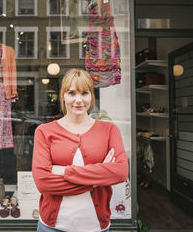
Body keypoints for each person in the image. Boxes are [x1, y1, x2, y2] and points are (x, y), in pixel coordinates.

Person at [32, 68, 128, 232]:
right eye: (71, 93)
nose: (78, 100)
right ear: (63, 95)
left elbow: (120, 172)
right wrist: (97, 180)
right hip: (52, 227)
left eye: (84, 93)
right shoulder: (44, 131)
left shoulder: (109, 130)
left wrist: (65, 171)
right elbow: (42, 182)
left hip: (96, 226)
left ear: (91, 95)